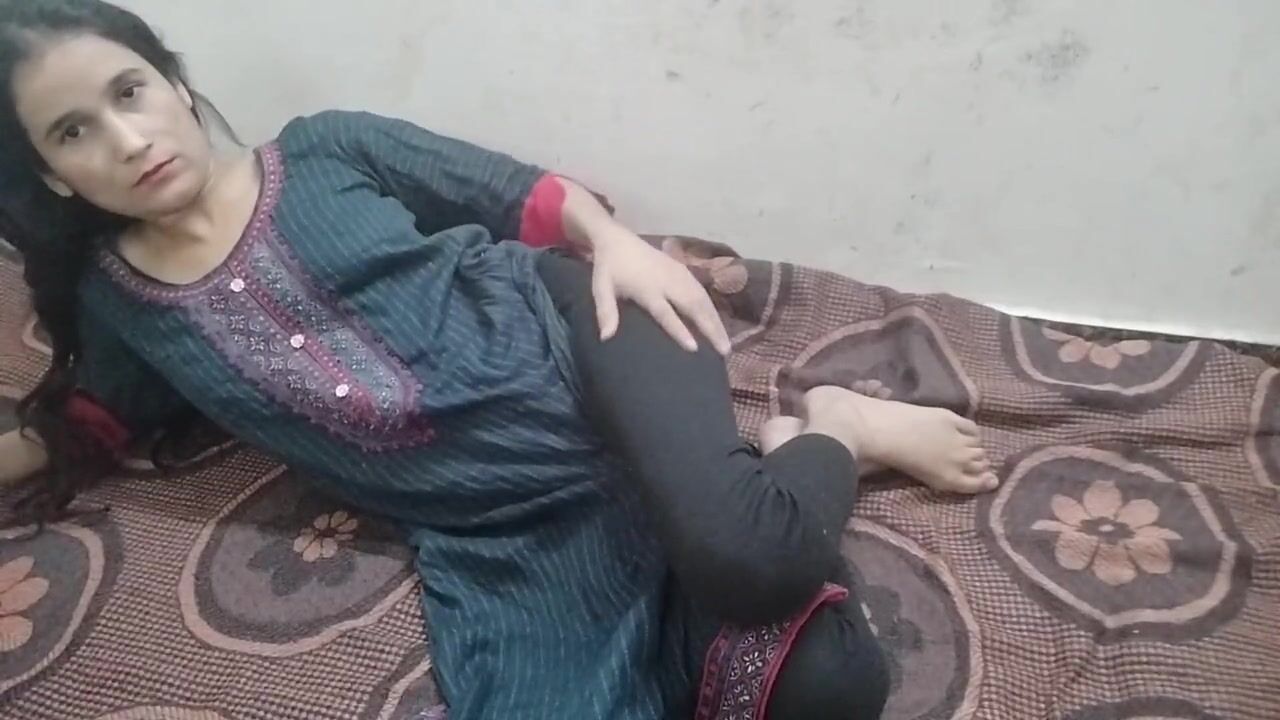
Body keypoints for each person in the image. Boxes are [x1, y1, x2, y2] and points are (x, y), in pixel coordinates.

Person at [0, 2, 999, 718]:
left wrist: (615, 244)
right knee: (828, 689)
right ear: (52, 172)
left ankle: (833, 427)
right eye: (75, 131)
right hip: (506, 528)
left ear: (176, 83)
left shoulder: (325, 148)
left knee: (751, 559)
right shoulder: (118, 303)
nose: (127, 139)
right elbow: (91, 424)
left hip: (588, 341)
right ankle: (755, 490)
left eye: (130, 91)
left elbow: (520, 196)